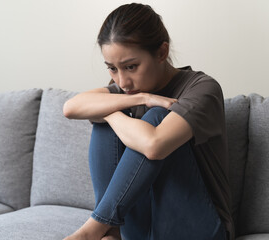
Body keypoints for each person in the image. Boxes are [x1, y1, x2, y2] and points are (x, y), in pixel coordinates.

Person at [62, 3, 234, 240]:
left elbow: (155, 145)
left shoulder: (203, 88)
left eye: (131, 67)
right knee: (109, 117)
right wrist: (139, 99)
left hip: (198, 227)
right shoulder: (131, 91)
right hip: (139, 228)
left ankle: (97, 226)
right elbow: (70, 108)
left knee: (153, 118)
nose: (122, 82)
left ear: (162, 52)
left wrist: (110, 111)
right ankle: (111, 229)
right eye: (112, 69)